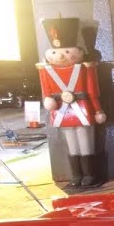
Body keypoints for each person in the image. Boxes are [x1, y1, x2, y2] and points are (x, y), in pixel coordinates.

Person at [38, 17, 107, 187]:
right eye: (55, 52)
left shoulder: (85, 68)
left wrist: (98, 110)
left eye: (67, 51)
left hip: (82, 108)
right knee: (71, 142)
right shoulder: (47, 71)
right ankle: (77, 174)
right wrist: (48, 100)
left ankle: (89, 174)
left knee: (85, 140)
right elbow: (47, 92)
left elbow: (92, 92)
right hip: (63, 110)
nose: (61, 55)